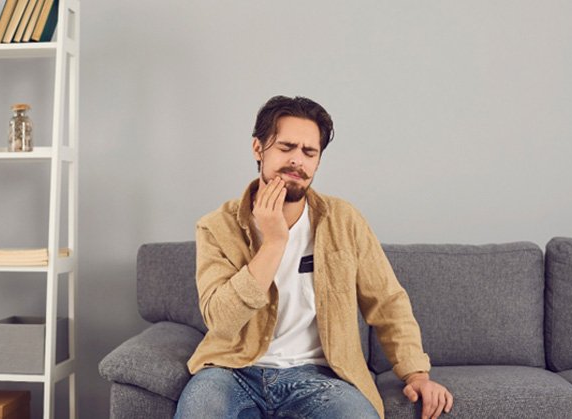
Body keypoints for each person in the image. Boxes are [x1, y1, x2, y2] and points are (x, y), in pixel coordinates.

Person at [175, 95, 453, 419]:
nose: (297, 161)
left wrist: (416, 374)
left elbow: (388, 301)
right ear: (258, 149)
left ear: (318, 161)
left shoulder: (344, 220)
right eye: (286, 147)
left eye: (309, 152)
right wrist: (274, 243)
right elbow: (220, 319)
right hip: (231, 371)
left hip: (320, 378)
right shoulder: (216, 227)